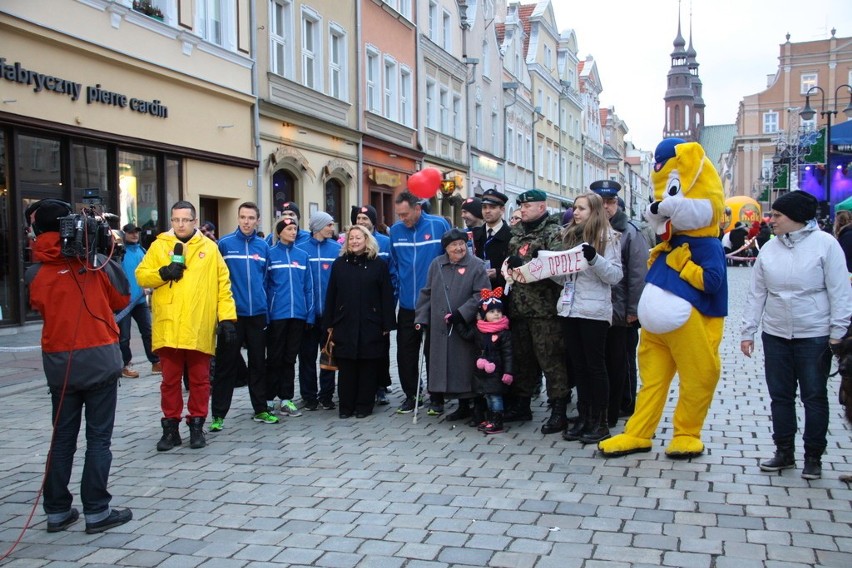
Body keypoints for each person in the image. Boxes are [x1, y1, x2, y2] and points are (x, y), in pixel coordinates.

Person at [25, 199, 133, 534]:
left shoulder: (35, 272)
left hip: (60, 364)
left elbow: (37, 302)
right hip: (99, 359)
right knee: (98, 439)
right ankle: (97, 510)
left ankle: (57, 511)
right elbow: (122, 298)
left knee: (62, 438)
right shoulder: (95, 263)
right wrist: (104, 258)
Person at [741, 191, 852, 480]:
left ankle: (813, 456)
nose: (771, 220)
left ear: (796, 217)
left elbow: (840, 291)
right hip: (776, 333)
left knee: (814, 396)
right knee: (780, 396)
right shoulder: (769, 249)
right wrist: (748, 330)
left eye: (777, 216)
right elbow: (756, 293)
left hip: (814, 334)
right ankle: (784, 451)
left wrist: (838, 332)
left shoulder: (826, 245)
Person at [137, 200, 238, 450]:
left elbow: (222, 285)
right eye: (176, 220)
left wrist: (226, 318)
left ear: (195, 221)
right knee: (169, 381)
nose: (180, 224)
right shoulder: (160, 245)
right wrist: (163, 273)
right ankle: (170, 428)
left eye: (185, 220)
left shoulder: (210, 249)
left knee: (200, 381)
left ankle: (196, 425)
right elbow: (141, 275)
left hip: (198, 326)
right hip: (169, 325)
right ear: (171, 221)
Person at [552, 192, 623, 443]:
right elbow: (563, 278)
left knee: (595, 367)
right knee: (578, 367)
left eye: (581, 208)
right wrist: (549, 266)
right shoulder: (569, 236)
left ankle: (600, 421)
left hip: (593, 312)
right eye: (575, 208)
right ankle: (583, 416)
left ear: (594, 211)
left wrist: (594, 257)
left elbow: (614, 276)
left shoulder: (609, 238)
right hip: (570, 308)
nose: (576, 212)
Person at [503, 189, 570, 429]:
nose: (522, 210)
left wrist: (524, 265)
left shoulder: (553, 233)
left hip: (545, 309)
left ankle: (559, 408)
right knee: (522, 360)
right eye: (521, 206)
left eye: (527, 206)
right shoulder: (517, 233)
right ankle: (522, 405)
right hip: (519, 307)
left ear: (541, 207)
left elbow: (556, 267)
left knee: (550, 359)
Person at [588, 181, 649, 425]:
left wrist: (634, 310)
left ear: (616, 204)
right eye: (601, 203)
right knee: (604, 360)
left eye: (611, 202)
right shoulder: (590, 229)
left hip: (621, 309)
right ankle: (606, 403)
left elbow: (638, 275)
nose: (606, 207)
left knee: (622, 360)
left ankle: (626, 403)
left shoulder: (630, 232)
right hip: (597, 309)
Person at [210, 202, 276, 429]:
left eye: (251, 218)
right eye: (243, 217)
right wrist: (221, 314)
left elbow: (268, 282)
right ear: (238, 219)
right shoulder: (225, 245)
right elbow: (217, 281)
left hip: (257, 314)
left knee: (258, 364)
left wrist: (266, 310)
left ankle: (260, 409)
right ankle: (218, 415)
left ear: (258, 220)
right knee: (226, 366)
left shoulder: (263, 247)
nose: (246, 222)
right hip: (233, 316)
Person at [323, 225, 396, 418]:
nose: (354, 241)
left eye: (358, 238)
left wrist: (387, 324)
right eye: (351, 238)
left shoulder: (378, 264)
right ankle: (346, 407)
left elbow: (386, 295)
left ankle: (364, 406)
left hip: (371, 323)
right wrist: (329, 321)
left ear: (367, 240)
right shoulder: (339, 264)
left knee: (367, 366)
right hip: (344, 322)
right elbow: (331, 294)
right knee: (346, 367)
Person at [415, 228, 490, 416]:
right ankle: (461, 406)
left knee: (465, 365)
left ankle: (472, 404)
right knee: (447, 366)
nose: (458, 248)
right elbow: (427, 292)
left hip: (465, 325)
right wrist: (421, 318)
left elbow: (482, 294)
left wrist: (462, 313)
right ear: (446, 248)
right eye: (453, 245)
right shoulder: (437, 264)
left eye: (461, 244)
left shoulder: (476, 265)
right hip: (440, 326)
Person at [389, 191, 451, 413]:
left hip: (434, 302)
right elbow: (394, 266)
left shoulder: (439, 224)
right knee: (405, 353)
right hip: (407, 304)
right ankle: (411, 394)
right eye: (399, 215)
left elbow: (451, 257)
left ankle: (437, 397)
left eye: (405, 214)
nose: (402, 219)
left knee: (433, 353)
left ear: (418, 208)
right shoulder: (395, 232)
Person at [265, 217, 315, 418]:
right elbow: (266, 286)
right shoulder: (270, 255)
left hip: (298, 315)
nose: (293, 232)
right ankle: (268, 398)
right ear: (279, 232)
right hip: (277, 315)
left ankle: (286, 398)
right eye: (289, 229)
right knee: (274, 357)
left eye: (295, 228)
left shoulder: (302, 256)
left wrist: (309, 314)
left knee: (290, 358)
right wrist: (267, 314)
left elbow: (308, 287)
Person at [297, 210, 342, 410]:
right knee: (306, 357)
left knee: (328, 356)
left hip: (329, 315)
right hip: (307, 315)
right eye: (329, 225)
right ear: (317, 226)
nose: (332, 228)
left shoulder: (337, 249)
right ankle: (309, 396)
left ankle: (326, 395)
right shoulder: (301, 248)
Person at [351, 204, 393, 405]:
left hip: (379, 305)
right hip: (357, 306)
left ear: (373, 222)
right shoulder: (349, 242)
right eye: (358, 219)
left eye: (365, 219)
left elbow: (393, 273)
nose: (361, 222)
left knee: (381, 348)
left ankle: (381, 386)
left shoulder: (385, 242)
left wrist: (391, 298)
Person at [118, 223, 161, 377]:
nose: (134, 235)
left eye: (136, 232)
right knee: (124, 336)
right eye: (130, 232)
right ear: (124, 234)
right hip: (123, 302)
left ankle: (155, 362)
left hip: (140, 301)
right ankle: (125, 365)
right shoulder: (120, 253)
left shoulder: (143, 251)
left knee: (148, 332)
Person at [467, 290, 514, 434]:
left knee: (495, 397)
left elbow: (508, 354)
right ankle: (491, 418)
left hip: (497, 372)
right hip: (482, 373)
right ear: (483, 315)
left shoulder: (504, 333)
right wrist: (455, 321)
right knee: (488, 396)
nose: (496, 314)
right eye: (492, 311)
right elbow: (466, 335)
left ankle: (498, 420)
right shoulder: (479, 330)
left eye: (499, 311)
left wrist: (508, 372)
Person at [474, 189, 512, 291]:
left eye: (492, 207)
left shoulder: (512, 236)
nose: (487, 211)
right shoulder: (474, 234)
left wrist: (499, 273)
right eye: (484, 207)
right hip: (478, 292)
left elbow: (518, 267)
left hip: (503, 294)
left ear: (502, 210)